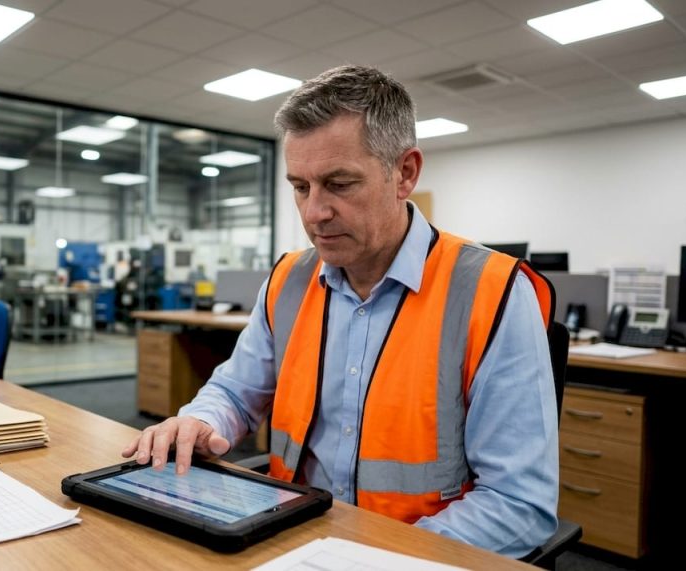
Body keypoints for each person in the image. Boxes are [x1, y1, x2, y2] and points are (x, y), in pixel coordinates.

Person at [122, 65, 559, 558]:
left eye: (339, 184)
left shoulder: (493, 291)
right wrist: (201, 420)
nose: (313, 213)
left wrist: (380, 559)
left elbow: (519, 503)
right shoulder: (289, 280)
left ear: (405, 174)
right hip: (290, 540)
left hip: (419, 558)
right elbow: (234, 392)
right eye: (301, 186)